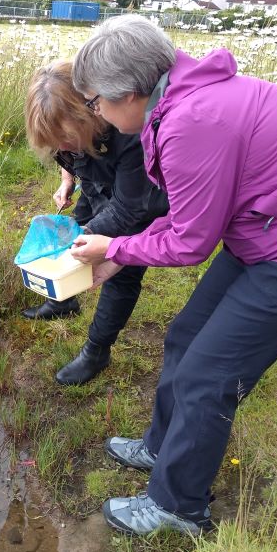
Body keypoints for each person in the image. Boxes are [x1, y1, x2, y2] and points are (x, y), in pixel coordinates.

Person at [69, 15, 277, 536]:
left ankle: (178, 507)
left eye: (95, 103)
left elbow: (191, 242)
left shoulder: (192, 119)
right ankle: (160, 447)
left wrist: (116, 247)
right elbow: (193, 215)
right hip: (265, 232)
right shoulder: (182, 99)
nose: (97, 114)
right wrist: (120, 255)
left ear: (129, 93)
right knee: (186, 336)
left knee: (209, 375)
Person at [23, 60, 168, 385]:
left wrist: (88, 239)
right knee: (78, 234)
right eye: (52, 141)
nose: (59, 146)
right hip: (95, 184)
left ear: (89, 114)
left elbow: (129, 209)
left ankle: (97, 351)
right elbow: (70, 156)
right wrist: (67, 183)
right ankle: (64, 299)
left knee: (121, 271)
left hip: (136, 199)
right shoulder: (69, 137)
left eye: (65, 137)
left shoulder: (129, 132)